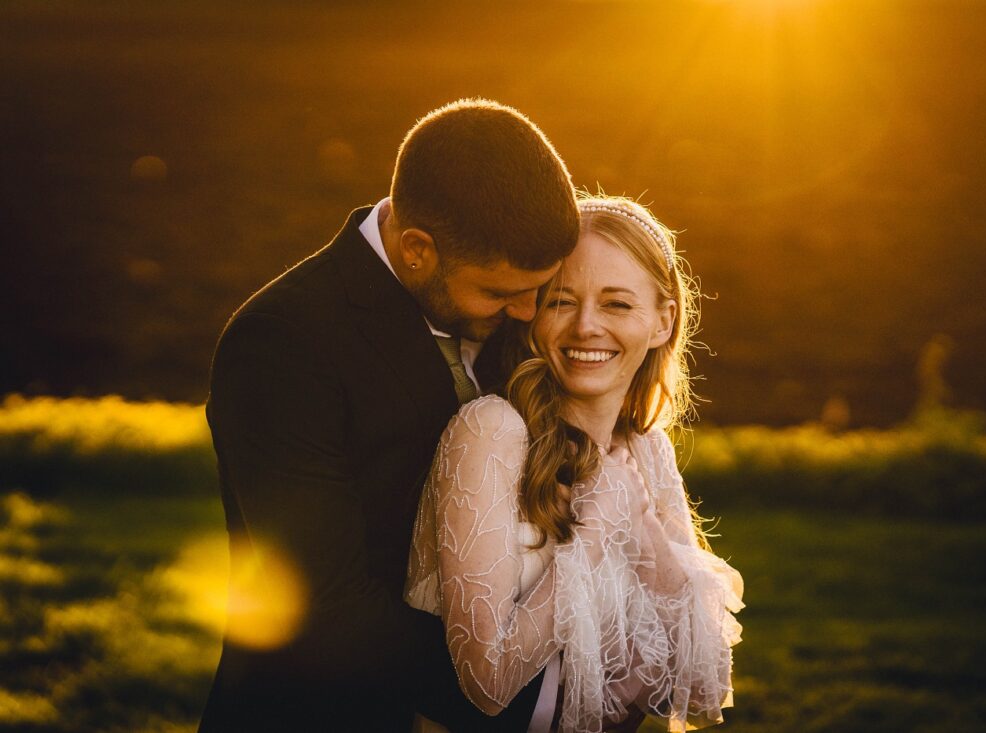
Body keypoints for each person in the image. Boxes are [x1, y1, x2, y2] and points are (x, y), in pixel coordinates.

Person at [200, 99, 579, 732]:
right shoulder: (282, 340)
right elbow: (325, 604)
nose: (528, 313)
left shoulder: (517, 310)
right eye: (500, 292)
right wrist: (536, 705)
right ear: (416, 250)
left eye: (538, 289)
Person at [406, 196, 745, 733]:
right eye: (562, 301)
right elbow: (487, 685)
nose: (586, 327)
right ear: (532, 313)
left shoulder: (645, 448)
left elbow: (702, 689)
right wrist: (595, 527)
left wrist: (640, 527)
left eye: (616, 304)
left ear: (662, 321)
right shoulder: (491, 432)